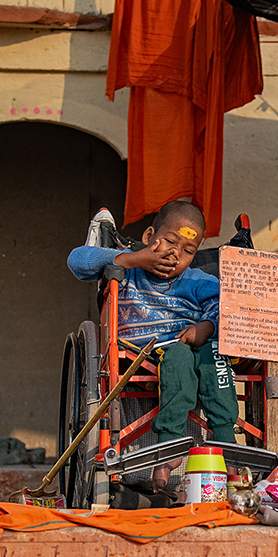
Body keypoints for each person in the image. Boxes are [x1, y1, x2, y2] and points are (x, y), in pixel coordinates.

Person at [67, 200, 238, 493]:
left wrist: (205, 327)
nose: (175, 255)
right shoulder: (127, 269)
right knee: (180, 356)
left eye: (188, 251)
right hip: (138, 352)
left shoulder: (197, 280)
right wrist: (135, 259)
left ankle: (226, 444)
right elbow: (77, 260)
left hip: (191, 348)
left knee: (213, 355)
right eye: (170, 242)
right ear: (149, 237)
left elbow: (227, 306)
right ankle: (169, 450)